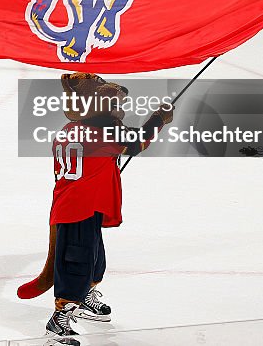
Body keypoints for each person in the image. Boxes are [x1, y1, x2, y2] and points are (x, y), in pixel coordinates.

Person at [42, 73, 173, 342]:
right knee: (76, 262)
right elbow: (138, 143)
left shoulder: (70, 130)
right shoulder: (102, 133)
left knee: (94, 258)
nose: (120, 112)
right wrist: (159, 119)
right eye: (115, 107)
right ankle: (60, 318)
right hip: (76, 210)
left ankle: (85, 297)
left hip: (81, 206)